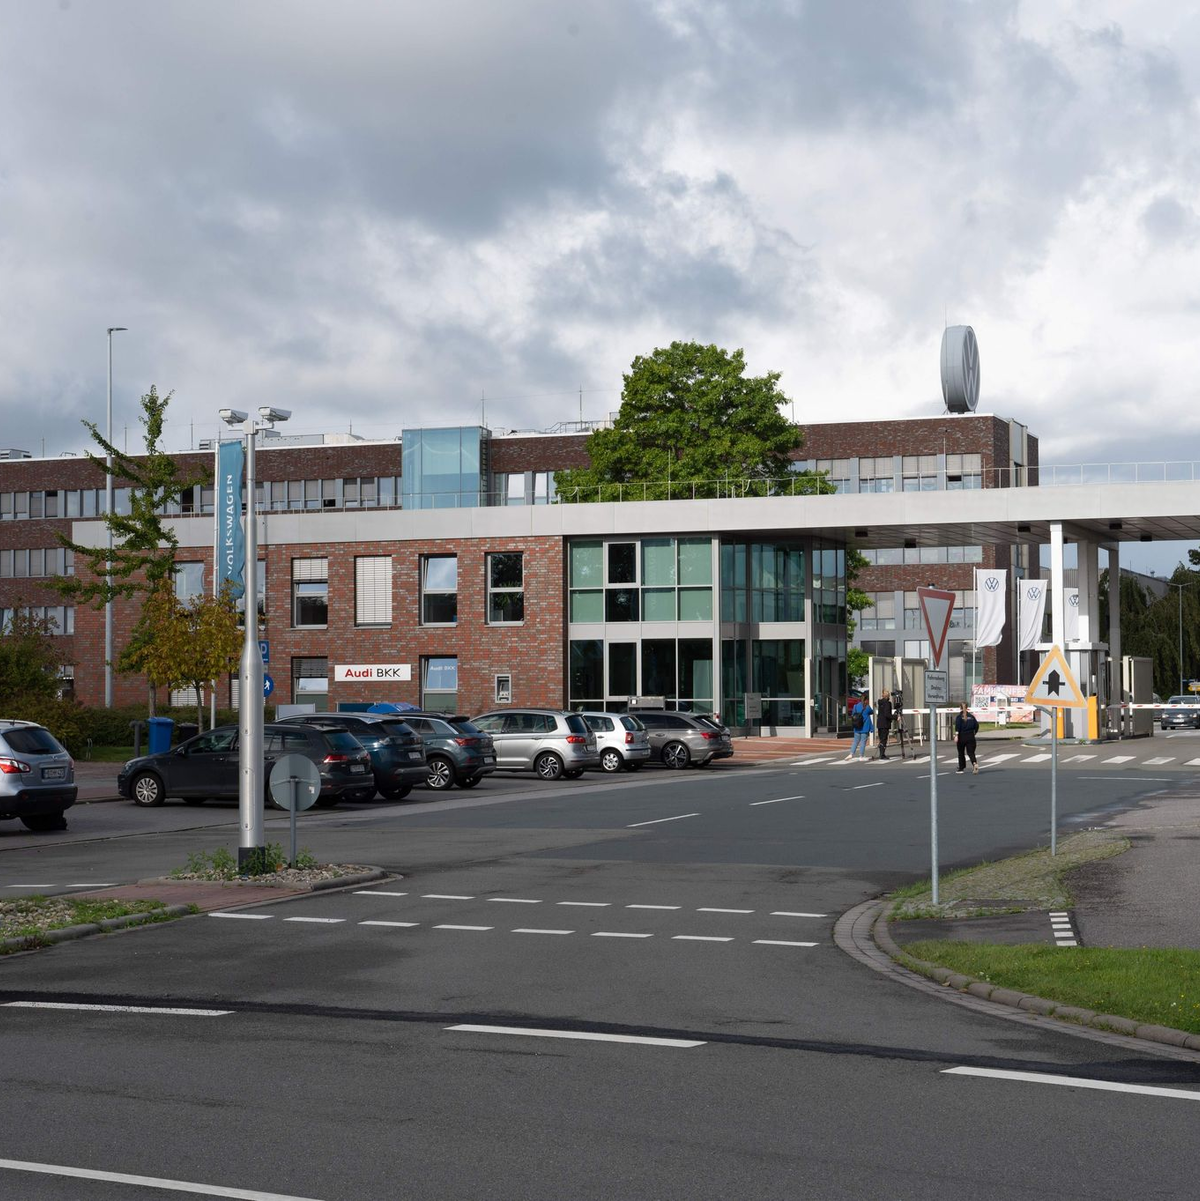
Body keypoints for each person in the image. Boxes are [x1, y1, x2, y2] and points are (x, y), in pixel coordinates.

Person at [846, 694, 874, 760]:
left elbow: (853, 714)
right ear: (866, 700)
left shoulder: (855, 706)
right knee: (863, 742)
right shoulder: (867, 707)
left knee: (855, 741)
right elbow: (872, 712)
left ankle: (851, 754)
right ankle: (861, 756)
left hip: (857, 727)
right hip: (865, 728)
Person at [955, 701, 979, 774]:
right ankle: (974, 763)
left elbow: (958, 727)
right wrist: (974, 733)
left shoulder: (959, 717)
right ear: (967, 707)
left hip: (962, 736)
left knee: (961, 753)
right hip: (971, 736)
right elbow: (976, 726)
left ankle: (961, 768)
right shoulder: (971, 717)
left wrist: (956, 736)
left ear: (960, 708)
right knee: (971, 752)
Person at [876, 690, 894, 760]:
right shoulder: (887, 703)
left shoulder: (880, 703)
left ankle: (881, 753)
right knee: (884, 739)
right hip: (885, 723)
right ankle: (882, 755)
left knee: (881, 739)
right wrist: (895, 717)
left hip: (879, 723)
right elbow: (887, 714)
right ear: (888, 696)